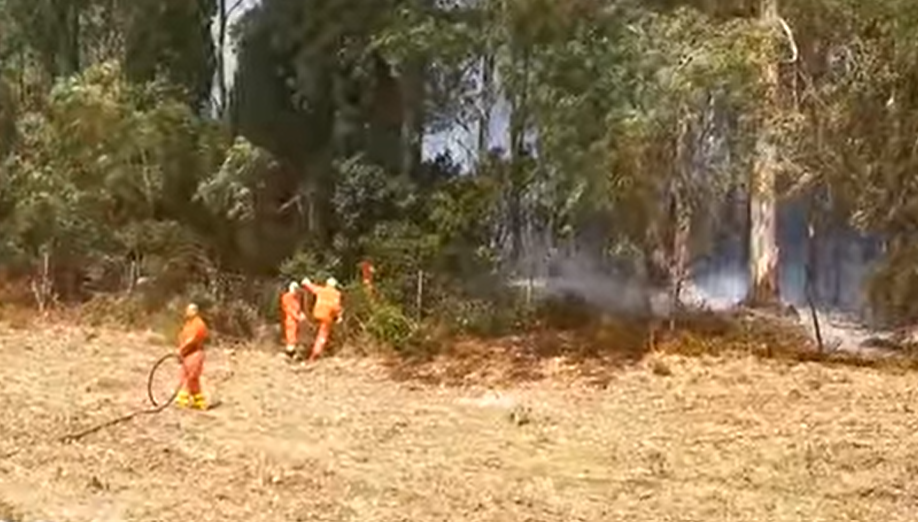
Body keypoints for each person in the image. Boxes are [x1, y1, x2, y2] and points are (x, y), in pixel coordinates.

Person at [300, 276, 343, 363]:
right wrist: (338, 317)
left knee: (314, 331)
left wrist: (306, 283)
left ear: (327, 284)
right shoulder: (336, 294)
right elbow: (336, 307)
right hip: (326, 317)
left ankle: (307, 347)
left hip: (316, 315)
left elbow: (312, 288)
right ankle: (315, 354)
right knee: (322, 335)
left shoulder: (321, 290)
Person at [176, 303, 209, 410]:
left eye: (189, 310)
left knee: (191, 376)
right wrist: (181, 351)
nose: (186, 312)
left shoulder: (199, 324)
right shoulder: (188, 324)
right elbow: (183, 337)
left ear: (195, 311)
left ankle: (186, 399)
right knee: (185, 376)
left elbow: (193, 339)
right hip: (187, 354)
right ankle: (198, 401)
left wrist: (182, 349)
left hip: (195, 353)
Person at [280, 281, 305, 357]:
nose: (296, 291)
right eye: (295, 289)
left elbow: (298, 308)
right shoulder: (287, 297)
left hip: (295, 320)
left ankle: (293, 352)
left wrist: (301, 314)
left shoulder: (297, 298)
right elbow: (289, 310)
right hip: (290, 319)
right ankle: (289, 353)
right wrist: (298, 317)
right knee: (291, 336)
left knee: (295, 336)